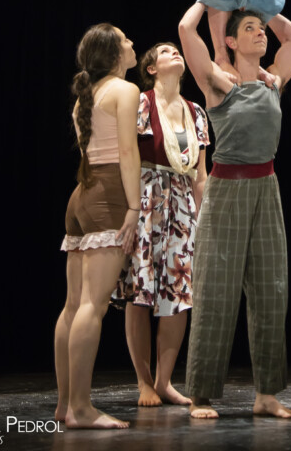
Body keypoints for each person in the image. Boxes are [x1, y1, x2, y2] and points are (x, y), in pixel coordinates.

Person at [177, 2, 291, 419]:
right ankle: (200, 395)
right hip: (227, 189)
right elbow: (186, 30)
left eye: (260, 28)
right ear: (230, 41)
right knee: (216, 291)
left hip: (267, 189)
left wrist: (267, 6)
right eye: (249, 28)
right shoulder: (220, 83)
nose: (260, 32)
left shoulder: (273, 82)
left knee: (271, 290)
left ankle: (267, 394)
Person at [54, 23, 141, 429]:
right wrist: (135, 207)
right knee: (94, 304)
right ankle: (82, 408)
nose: (132, 43)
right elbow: (127, 151)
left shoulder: (87, 96)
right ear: (113, 52)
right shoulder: (124, 90)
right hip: (108, 194)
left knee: (74, 305)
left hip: (82, 195)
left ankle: (66, 405)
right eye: (125, 40)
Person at [114, 41, 209, 407]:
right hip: (147, 199)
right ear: (151, 68)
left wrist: (202, 218)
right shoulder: (141, 103)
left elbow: (201, 174)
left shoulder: (195, 112)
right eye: (166, 51)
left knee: (179, 294)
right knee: (140, 292)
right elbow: (126, 156)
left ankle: (164, 381)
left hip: (183, 203)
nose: (175, 53)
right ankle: (144, 382)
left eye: (175, 49)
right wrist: (129, 208)